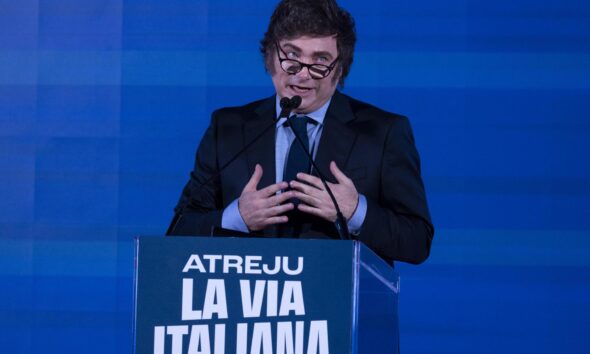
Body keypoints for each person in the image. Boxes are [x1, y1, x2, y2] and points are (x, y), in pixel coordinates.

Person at [167, 0, 433, 265]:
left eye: (320, 60)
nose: (302, 75)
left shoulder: (383, 132)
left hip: (336, 301)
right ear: (270, 58)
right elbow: (178, 231)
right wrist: (236, 217)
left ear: (339, 70)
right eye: (292, 56)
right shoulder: (227, 128)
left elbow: (417, 241)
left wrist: (355, 211)